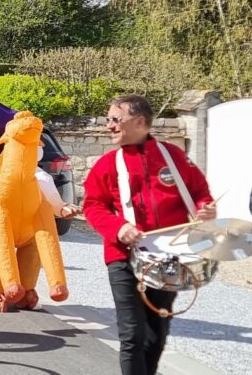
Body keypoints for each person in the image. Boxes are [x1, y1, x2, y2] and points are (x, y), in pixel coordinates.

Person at [83, 94, 217, 375]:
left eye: (115, 119)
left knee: (157, 335)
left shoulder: (174, 156)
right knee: (132, 335)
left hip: (169, 257)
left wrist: (205, 209)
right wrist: (119, 227)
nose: (109, 125)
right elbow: (93, 207)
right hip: (123, 257)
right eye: (109, 119)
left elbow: (201, 193)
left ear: (140, 121)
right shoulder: (107, 164)